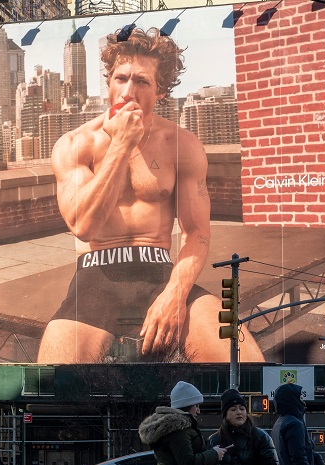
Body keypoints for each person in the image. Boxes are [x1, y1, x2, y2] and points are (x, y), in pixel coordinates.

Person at [38, 27, 263, 364]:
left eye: (141, 81)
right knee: (52, 390)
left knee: (247, 368)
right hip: (96, 275)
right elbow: (82, 224)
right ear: (109, 81)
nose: (128, 91)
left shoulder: (181, 145)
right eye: (120, 78)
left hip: (159, 272)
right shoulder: (75, 144)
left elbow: (198, 233)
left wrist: (176, 294)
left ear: (160, 91)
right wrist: (122, 144)